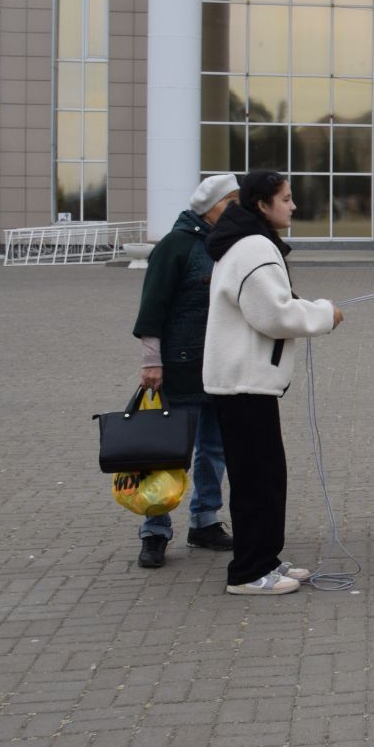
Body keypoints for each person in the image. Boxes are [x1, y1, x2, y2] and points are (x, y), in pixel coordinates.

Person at [203, 170, 342, 595]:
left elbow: (271, 306)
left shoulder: (248, 243)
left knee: (266, 476)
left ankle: (266, 559)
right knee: (256, 480)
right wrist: (324, 314)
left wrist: (313, 310)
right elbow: (276, 315)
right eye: (285, 198)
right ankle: (248, 573)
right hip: (243, 385)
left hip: (247, 383)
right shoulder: (254, 247)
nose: (293, 206)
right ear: (262, 204)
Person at [130, 173, 239, 569]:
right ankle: (155, 530)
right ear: (209, 207)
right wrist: (151, 361)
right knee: (168, 452)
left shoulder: (224, 245)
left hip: (219, 366)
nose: (236, 210)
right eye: (230, 203)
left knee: (214, 449)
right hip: (177, 367)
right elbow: (152, 307)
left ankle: (205, 521)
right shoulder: (176, 245)